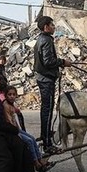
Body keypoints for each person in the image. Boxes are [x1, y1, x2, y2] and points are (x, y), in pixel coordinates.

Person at [33, 16, 71, 152]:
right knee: (47, 110)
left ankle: (46, 134)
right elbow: (48, 62)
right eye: (52, 25)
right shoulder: (47, 40)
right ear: (46, 27)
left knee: (46, 109)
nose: (54, 27)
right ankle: (47, 143)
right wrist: (62, 62)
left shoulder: (40, 39)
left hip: (43, 78)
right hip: (46, 80)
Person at [3, 86, 53, 172]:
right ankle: (36, 163)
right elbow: (10, 122)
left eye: (14, 94)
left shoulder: (12, 105)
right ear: (6, 96)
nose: (11, 96)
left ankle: (40, 159)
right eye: (9, 94)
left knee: (33, 139)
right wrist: (17, 133)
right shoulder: (6, 106)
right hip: (13, 131)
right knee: (29, 141)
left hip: (17, 129)